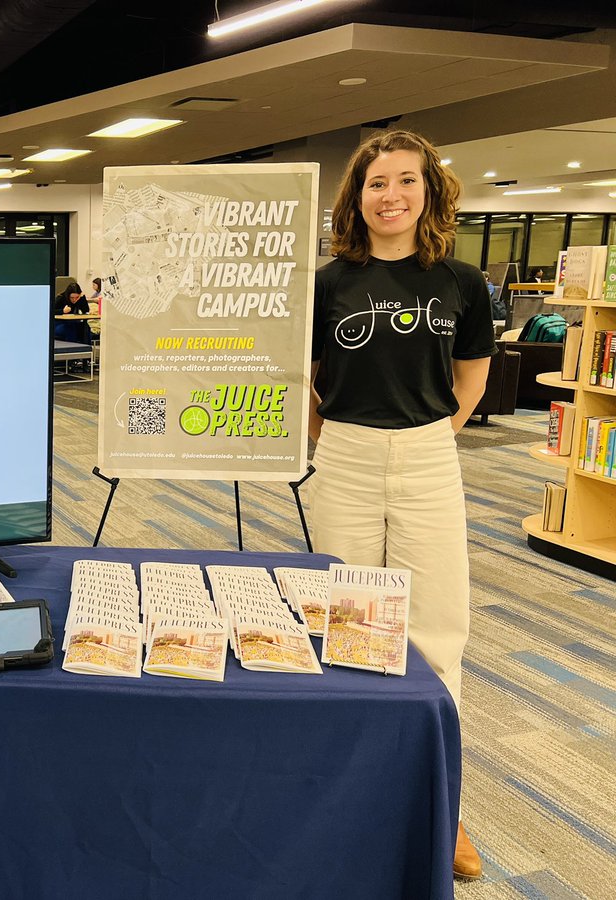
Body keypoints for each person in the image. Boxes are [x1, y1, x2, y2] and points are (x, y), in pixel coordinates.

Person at [306, 130, 495, 882]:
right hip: (345, 454)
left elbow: (472, 378)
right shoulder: (328, 284)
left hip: (428, 455)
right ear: (357, 197)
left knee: (438, 630)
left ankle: (440, 807)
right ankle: (357, 794)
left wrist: (427, 438)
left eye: (407, 181)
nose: (392, 196)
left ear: (429, 191)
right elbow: (308, 382)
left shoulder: (461, 282)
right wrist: (340, 441)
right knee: (349, 624)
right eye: (377, 183)